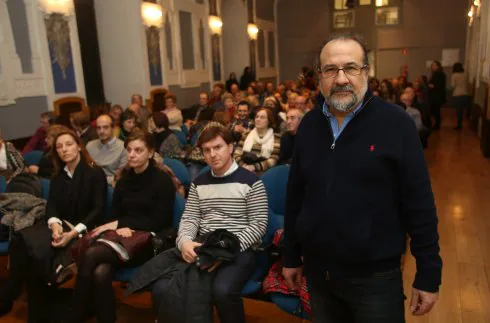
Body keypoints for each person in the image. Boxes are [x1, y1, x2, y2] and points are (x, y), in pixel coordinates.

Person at [283, 33, 442, 323]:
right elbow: (295, 196)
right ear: (319, 76)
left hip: (375, 279)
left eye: (351, 67)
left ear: (366, 72)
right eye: (331, 69)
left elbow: (419, 203)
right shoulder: (308, 126)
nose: (341, 78)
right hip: (318, 275)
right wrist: (291, 256)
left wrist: (428, 272)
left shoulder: (396, 124)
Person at [152, 124, 268, 323]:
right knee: (164, 287)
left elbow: (258, 225)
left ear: (230, 147)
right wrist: (185, 242)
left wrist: (224, 249)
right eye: (207, 150)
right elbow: (190, 218)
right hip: (204, 247)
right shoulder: (199, 183)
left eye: (218, 147)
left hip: (239, 250)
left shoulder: (252, 182)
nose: (213, 154)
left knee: (222, 291)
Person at [63, 128, 175, 323]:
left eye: (138, 150)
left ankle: (75, 313)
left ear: (150, 153)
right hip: (122, 239)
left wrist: (122, 223)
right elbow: (115, 215)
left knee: (92, 253)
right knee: (100, 272)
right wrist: (119, 225)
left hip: (149, 242)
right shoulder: (123, 181)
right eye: (129, 150)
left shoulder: (162, 180)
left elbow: (160, 221)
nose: (131, 155)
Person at [0, 128, 107, 320]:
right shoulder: (59, 174)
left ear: (78, 146)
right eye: (59, 147)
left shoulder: (94, 172)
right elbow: (52, 206)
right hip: (61, 226)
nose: (64, 150)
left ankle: (9, 295)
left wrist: (72, 233)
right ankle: (28, 305)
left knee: (29, 248)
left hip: (83, 229)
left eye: (69, 144)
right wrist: (55, 224)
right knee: (22, 238)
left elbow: (97, 211)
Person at [234, 108, 281, 174]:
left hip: (265, 173)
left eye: (262, 117)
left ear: (269, 121)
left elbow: (273, 160)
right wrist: (245, 166)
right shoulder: (246, 135)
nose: (258, 119)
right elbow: (236, 154)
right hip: (244, 170)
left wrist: (253, 167)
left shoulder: (276, 138)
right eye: (257, 117)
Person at [86, 115, 128, 185]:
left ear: (113, 128)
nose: (101, 131)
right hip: (92, 183)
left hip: (113, 185)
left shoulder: (123, 147)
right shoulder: (89, 146)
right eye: (98, 128)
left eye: (105, 127)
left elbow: (122, 175)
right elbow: (87, 169)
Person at [450, 62, 470, 130]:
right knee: (462, 111)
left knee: (458, 111)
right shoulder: (465, 75)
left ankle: (459, 125)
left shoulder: (454, 75)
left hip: (457, 94)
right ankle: (460, 124)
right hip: (465, 94)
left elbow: (453, 86)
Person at [428, 60, 447, 130]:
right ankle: (437, 124)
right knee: (436, 111)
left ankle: (437, 125)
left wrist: (432, 86)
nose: (432, 67)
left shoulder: (437, 74)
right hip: (438, 96)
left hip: (436, 96)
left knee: (436, 111)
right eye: (432, 65)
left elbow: (438, 85)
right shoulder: (441, 73)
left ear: (437, 66)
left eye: (433, 65)